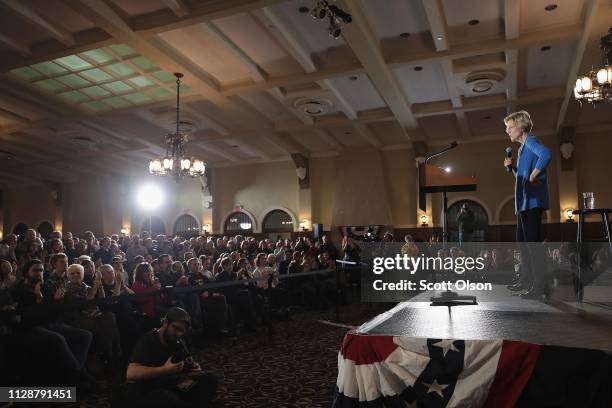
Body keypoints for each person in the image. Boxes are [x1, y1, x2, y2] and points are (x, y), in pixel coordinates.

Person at [122, 307, 218, 408]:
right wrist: (164, 370)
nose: (179, 334)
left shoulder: (177, 342)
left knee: (210, 380)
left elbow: (188, 364)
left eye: (182, 331)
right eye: (176, 328)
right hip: (149, 390)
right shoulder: (148, 340)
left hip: (171, 387)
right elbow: (131, 373)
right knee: (165, 398)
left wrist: (193, 370)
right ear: (165, 323)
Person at [503, 110, 552, 298]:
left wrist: (534, 174)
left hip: (532, 203)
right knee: (524, 244)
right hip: (524, 203)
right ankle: (527, 279)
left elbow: (546, 154)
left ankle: (540, 286)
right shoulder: (523, 148)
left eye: (510, 127)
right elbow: (521, 178)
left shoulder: (531, 141)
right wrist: (513, 168)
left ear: (521, 128)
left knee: (533, 246)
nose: (507, 131)